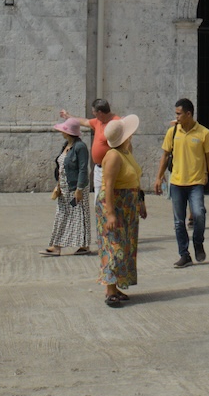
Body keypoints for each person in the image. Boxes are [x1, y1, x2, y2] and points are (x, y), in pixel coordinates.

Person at [153, 98, 209, 267]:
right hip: (176, 183)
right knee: (178, 221)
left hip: (196, 182)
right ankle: (184, 254)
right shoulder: (172, 132)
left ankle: (198, 242)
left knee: (199, 214)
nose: (177, 117)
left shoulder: (204, 133)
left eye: (179, 114)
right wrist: (159, 177)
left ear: (189, 114)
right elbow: (165, 156)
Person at [97, 114, 142, 307]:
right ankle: (109, 290)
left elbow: (134, 179)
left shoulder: (126, 152)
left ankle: (116, 286)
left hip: (128, 205)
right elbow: (108, 186)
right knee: (113, 246)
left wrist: (140, 202)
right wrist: (111, 213)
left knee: (125, 246)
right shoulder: (114, 156)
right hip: (114, 203)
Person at [42, 116, 91, 256]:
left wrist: (79, 189)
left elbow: (83, 169)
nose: (61, 132)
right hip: (64, 188)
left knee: (79, 214)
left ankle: (83, 245)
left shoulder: (80, 147)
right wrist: (58, 185)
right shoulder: (66, 145)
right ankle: (57, 245)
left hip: (75, 188)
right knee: (62, 215)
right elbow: (62, 167)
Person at [83, 97, 118, 199]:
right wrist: (68, 116)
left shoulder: (116, 122)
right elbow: (84, 122)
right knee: (98, 198)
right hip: (98, 168)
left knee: (108, 197)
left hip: (110, 167)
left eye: (94, 112)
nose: (93, 114)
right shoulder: (98, 121)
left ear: (100, 112)